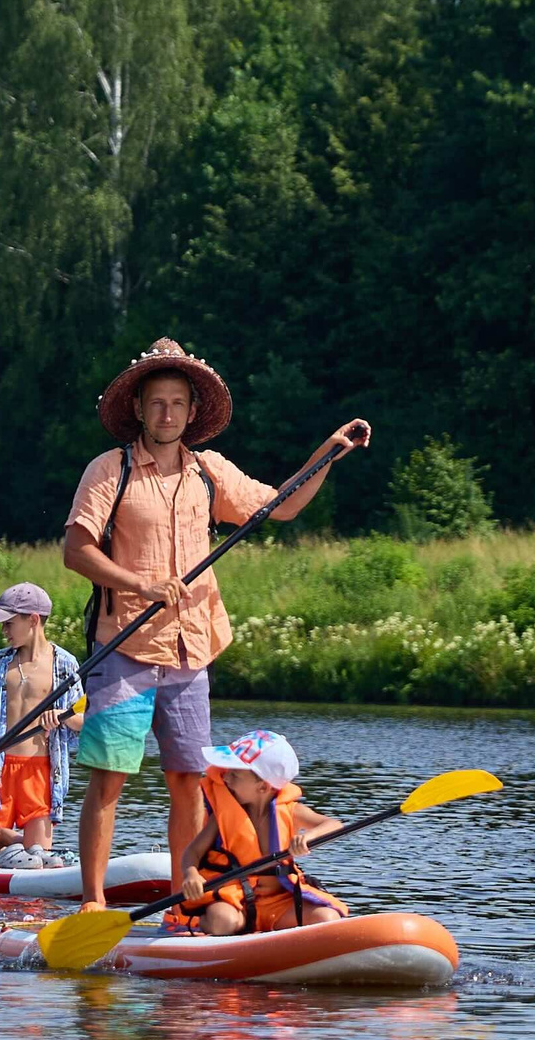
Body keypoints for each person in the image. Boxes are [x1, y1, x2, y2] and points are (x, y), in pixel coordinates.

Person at [62, 338, 366, 911]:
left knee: (189, 782)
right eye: (157, 403)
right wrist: (140, 584)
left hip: (190, 653)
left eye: (177, 403)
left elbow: (281, 504)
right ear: (139, 409)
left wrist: (329, 452)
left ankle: (186, 900)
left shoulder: (210, 472)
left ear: (193, 412)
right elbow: (76, 551)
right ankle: (93, 902)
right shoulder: (110, 469)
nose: (167, 414)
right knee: (109, 779)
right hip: (125, 648)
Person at [0, 582, 82, 869]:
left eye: (9, 623)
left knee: (38, 860)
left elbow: (83, 721)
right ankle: (1, 855)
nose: (4, 631)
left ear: (33, 620)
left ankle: (16, 858)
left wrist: (61, 716)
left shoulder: (65, 664)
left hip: (41, 772)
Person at [171, 730, 346, 937]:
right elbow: (193, 853)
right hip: (234, 902)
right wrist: (191, 875)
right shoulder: (224, 815)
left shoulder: (291, 811)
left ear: (263, 787)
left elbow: (334, 825)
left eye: (235, 774)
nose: (226, 778)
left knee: (327, 918)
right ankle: (201, 925)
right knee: (222, 921)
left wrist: (307, 838)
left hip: (278, 903)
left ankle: (269, 937)